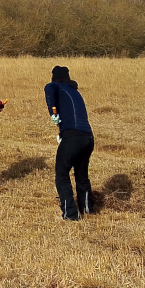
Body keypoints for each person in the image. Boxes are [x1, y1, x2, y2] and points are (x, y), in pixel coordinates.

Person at [45, 66, 94, 221]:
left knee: (62, 174)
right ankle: (88, 209)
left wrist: (52, 113)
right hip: (88, 137)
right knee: (81, 175)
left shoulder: (56, 86)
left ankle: (70, 214)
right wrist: (62, 133)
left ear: (56, 78)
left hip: (72, 137)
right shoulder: (74, 91)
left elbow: (49, 89)